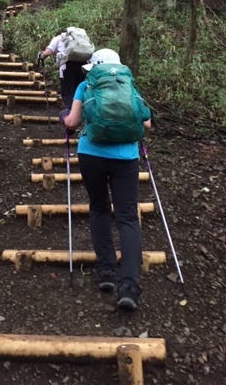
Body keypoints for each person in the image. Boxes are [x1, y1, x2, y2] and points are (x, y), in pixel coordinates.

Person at [60, 48, 151, 311]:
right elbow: (146, 124)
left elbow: (73, 122)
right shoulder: (127, 84)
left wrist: (64, 117)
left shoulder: (85, 84)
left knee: (99, 207)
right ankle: (130, 286)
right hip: (126, 158)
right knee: (127, 218)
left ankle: (106, 272)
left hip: (92, 155)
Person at [37, 31, 87, 109]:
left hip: (67, 66)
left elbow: (48, 52)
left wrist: (41, 56)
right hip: (83, 66)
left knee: (68, 92)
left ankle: (69, 114)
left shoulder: (59, 38)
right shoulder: (80, 38)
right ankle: (81, 114)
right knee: (80, 91)